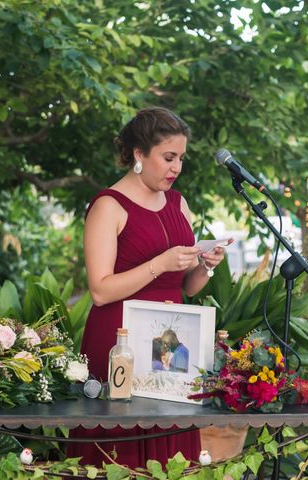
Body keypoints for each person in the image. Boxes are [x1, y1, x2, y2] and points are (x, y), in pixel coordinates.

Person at [66, 107, 227, 469]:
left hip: (171, 344)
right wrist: (160, 264)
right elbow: (100, 290)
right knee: (121, 451)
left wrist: (204, 265)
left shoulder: (178, 202)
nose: (177, 168)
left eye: (181, 158)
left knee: (170, 446)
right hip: (119, 340)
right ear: (139, 154)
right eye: (168, 157)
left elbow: (185, 284)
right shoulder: (108, 206)